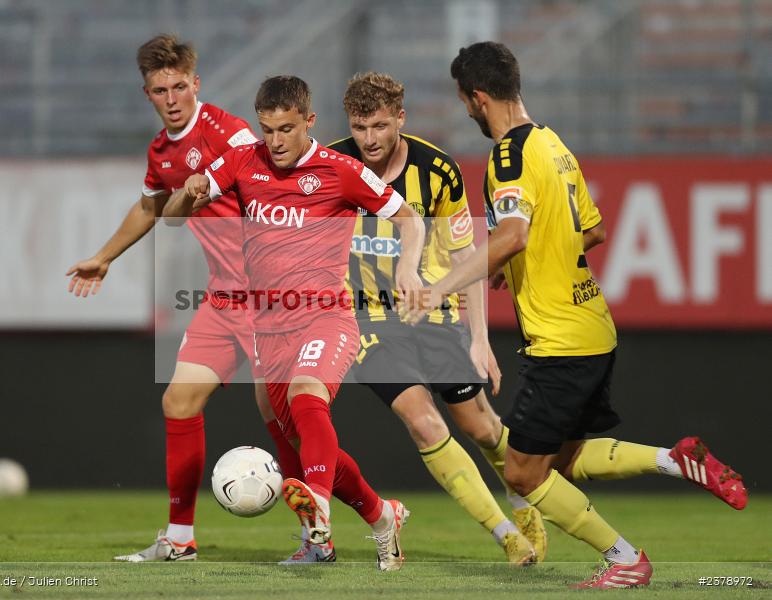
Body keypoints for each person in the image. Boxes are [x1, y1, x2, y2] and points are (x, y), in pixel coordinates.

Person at [405, 41, 748, 588]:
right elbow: (593, 229)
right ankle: (676, 460)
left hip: (560, 338)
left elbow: (513, 234)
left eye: (465, 101)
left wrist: (441, 286)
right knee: (562, 461)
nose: (467, 111)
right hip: (594, 326)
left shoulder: (509, 155)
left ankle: (624, 559)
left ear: (478, 97)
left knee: (521, 473)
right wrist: (512, 267)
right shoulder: (554, 145)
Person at [170, 75, 427, 571]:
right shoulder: (246, 160)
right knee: (300, 437)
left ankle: (319, 517)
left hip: (327, 317)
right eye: (268, 129)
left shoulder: (342, 170)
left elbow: (410, 219)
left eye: (286, 129)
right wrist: (190, 191)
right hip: (268, 327)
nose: (277, 141)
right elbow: (179, 215)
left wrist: (409, 267)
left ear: (309, 121)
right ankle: (381, 517)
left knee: (308, 397)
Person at [65, 34, 303, 562]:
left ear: (196, 83)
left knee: (286, 418)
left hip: (268, 298)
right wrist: (105, 256)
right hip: (224, 298)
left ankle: (369, 511)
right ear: (146, 93)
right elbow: (152, 207)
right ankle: (178, 539)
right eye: (159, 90)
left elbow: (271, 190)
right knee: (178, 401)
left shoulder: (231, 133)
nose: (171, 97)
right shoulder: (161, 150)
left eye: (179, 86)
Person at [328, 71, 545, 565]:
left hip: (435, 312)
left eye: (380, 126)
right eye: (360, 127)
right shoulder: (332, 164)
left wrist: (479, 339)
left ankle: (522, 494)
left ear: (400, 119)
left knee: (483, 428)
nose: (369, 139)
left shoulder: (438, 170)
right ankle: (506, 535)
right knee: (423, 423)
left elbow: (469, 258)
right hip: (367, 323)